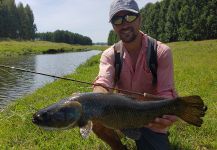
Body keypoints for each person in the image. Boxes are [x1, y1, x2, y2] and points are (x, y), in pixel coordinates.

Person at [92, 0, 178, 149]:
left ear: (139, 19)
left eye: (129, 17)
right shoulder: (109, 55)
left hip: (151, 118)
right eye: (117, 20)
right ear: (113, 26)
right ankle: (118, 146)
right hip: (121, 116)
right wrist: (95, 99)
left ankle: (152, 136)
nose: (124, 24)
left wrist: (169, 113)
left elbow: (166, 95)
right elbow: (103, 82)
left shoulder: (161, 52)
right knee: (96, 120)